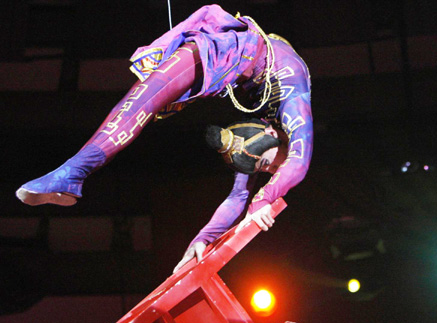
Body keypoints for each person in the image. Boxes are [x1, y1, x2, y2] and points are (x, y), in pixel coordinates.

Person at [15, 4, 313, 270]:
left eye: (265, 170)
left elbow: (237, 196)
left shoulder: (268, 124)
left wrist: (202, 240)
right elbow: (298, 164)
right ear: (272, 135)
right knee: (147, 96)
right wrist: (265, 199)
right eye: (269, 167)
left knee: (150, 99)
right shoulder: (295, 102)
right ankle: (73, 172)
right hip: (233, 48)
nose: (274, 172)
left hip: (229, 63)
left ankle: (72, 174)